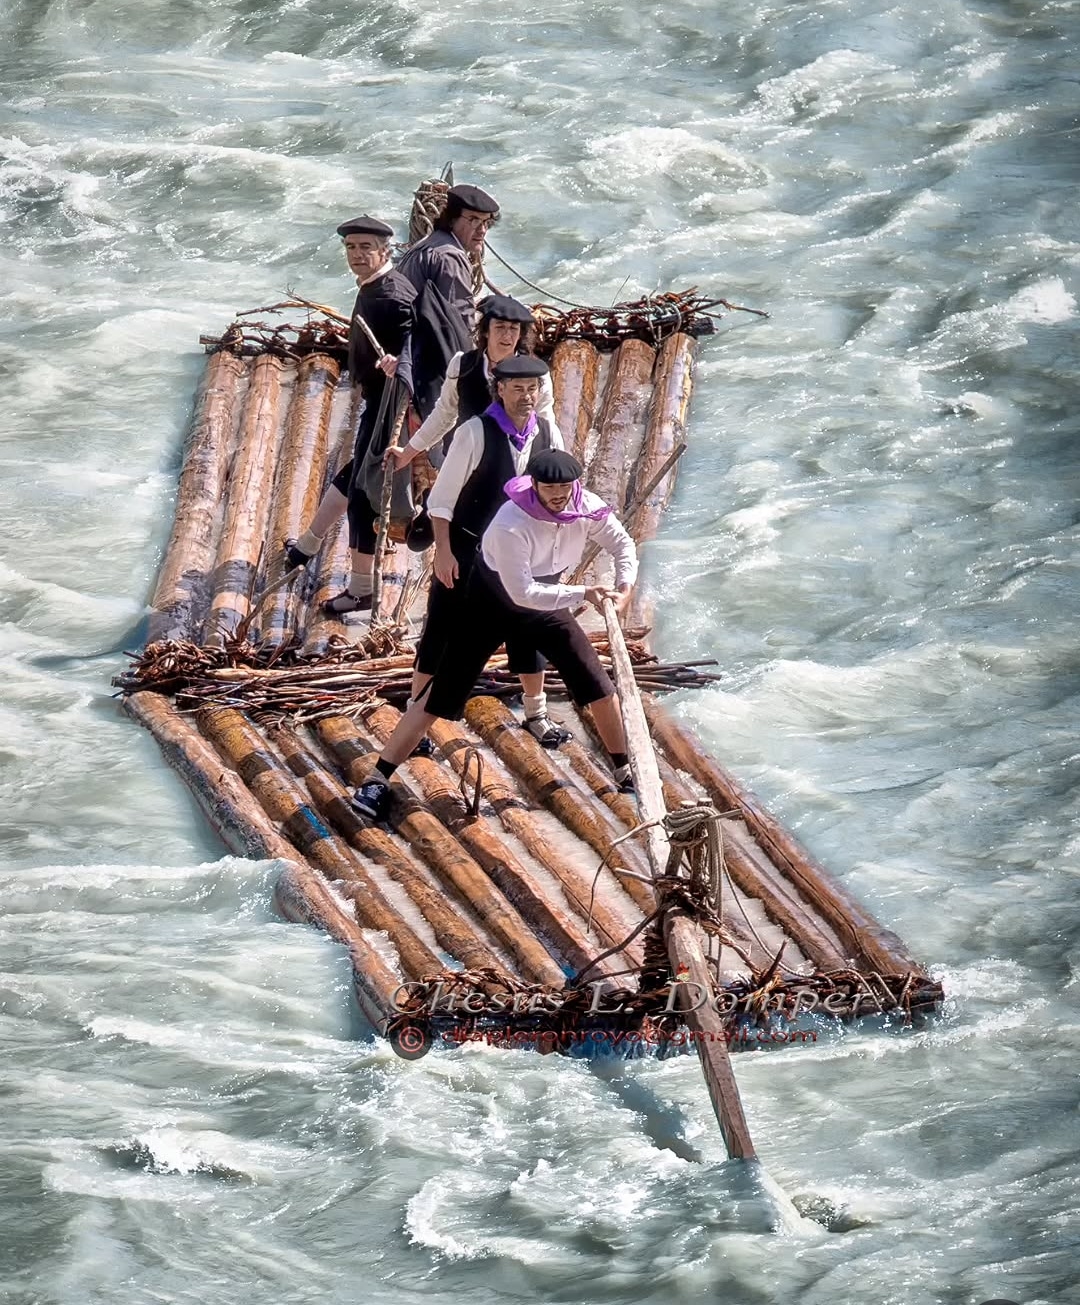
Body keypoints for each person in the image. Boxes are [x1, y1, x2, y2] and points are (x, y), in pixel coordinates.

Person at [350, 449, 638, 825]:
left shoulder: (588, 506)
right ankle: (377, 778)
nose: (558, 495)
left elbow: (623, 544)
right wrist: (586, 593)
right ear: (533, 485)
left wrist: (623, 587)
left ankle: (622, 770)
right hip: (492, 602)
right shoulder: (510, 523)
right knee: (438, 697)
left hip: (548, 598)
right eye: (549, 488)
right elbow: (523, 594)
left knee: (597, 683)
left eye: (564, 487)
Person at [403, 352, 571, 748]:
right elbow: (440, 502)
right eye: (517, 389)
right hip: (468, 549)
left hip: (523, 552)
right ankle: (415, 710)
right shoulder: (474, 432)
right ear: (500, 390)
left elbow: (560, 496)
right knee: (442, 631)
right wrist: (443, 554)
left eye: (532, 389)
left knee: (529, 629)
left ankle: (536, 714)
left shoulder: (548, 432)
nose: (526, 397)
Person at [284, 214, 416, 613]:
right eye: (351, 248)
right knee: (356, 474)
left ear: (385, 250)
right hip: (377, 399)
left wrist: (401, 364)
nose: (357, 255)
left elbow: (420, 342)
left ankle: (361, 589)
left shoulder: (393, 295)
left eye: (366, 248)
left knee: (363, 492)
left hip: (391, 405)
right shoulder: (374, 286)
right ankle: (308, 544)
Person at [388, 293, 558, 472]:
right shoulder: (462, 366)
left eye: (513, 328)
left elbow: (545, 424)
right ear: (486, 330)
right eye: (500, 327)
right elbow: (444, 414)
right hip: (466, 463)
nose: (507, 335)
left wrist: (553, 471)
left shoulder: (537, 374)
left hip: (516, 469)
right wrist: (408, 452)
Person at [395, 183, 500, 326]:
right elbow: (460, 323)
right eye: (474, 220)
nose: (482, 230)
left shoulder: (430, 242)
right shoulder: (450, 257)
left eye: (486, 222)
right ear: (452, 219)